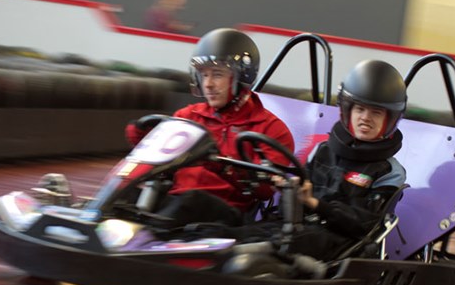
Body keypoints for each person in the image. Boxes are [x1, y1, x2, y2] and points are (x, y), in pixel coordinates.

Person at [125, 28, 294, 227]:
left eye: (217, 74)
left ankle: (145, 235)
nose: (208, 84)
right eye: (203, 75)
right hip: (176, 202)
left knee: (193, 200)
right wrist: (141, 134)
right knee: (129, 191)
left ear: (241, 76)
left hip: (226, 214)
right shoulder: (188, 116)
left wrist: (222, 165)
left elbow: (264, 190)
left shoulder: (270, 129)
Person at [273, 59, 408, 261]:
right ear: (347, 111)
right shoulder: (323, 150)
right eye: (360, 109)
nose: (365, 118)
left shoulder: (390, 172)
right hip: (297, 229)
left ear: (389, 120)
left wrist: (316, 204)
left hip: (339, 245)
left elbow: (365, 226)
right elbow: (288, 209)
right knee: (236, 233)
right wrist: (289, 191)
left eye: (376, 112)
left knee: (277, 246)